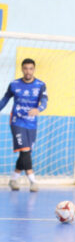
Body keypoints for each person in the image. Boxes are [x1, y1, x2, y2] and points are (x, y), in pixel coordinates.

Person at [0, 58, 48, 192]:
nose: (28, 71)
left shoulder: (40, 85)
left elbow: (44, 100)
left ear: (34, 69)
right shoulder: (14, 84)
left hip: (32, 124)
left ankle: (13, 179)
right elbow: (5, 99)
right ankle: (33, 181)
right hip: (17, 121)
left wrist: (38, 109)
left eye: (30, 68)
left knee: (25, 153)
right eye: (26, 68)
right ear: (22, 69)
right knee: (25, 150)